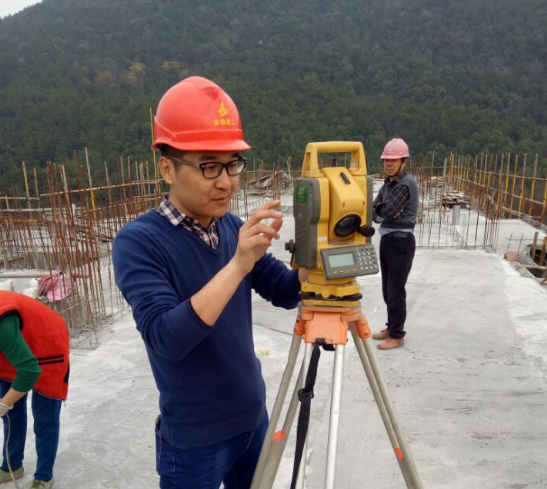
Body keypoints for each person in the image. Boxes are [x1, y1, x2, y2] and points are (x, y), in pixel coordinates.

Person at [112, 76, 305, 489]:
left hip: (254, 420)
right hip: (194, 442)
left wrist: (317, 257)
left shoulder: (231, 227)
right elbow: (167, 338)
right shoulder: (139, 242)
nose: (226, 181)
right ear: (167, 168)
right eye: (209, 166)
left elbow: (285, 291)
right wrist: (238, 264)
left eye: (232, 164)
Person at [0, 291, 70, 489]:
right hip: (14, 348)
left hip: (47, 345)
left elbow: (30, 371)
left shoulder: (2, 321)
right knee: (11, 415)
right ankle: (12, 466)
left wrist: (4, 403)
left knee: (44, 419)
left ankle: (43, 476)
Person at [371, 138, 418, 350]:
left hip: (401, 242)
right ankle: (391, 327)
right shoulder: (387, 185)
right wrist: (384, 210)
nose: (388, 164)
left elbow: (388, 211)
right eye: (386, 160)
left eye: (393, 160)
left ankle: (397, 335)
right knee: (387, 289)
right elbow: (375, 212)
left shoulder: (405, 184)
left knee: (396, 291)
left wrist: (384, 210)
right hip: (388, 240)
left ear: (403, 162)